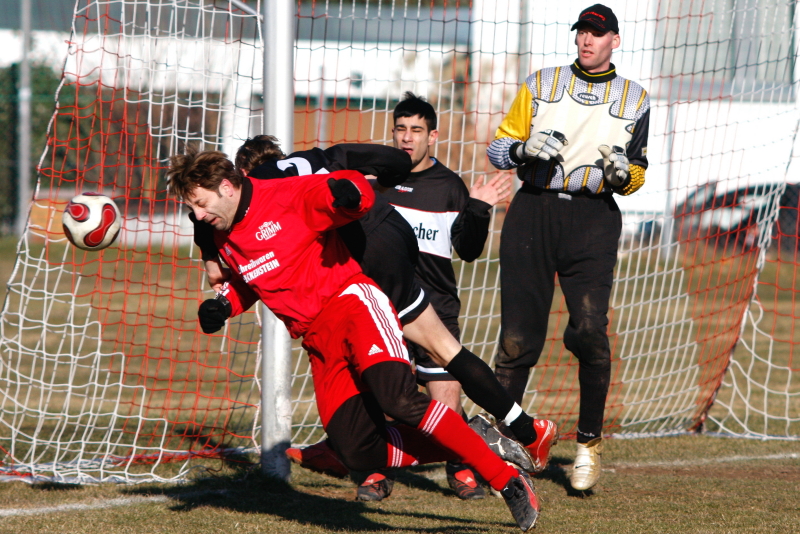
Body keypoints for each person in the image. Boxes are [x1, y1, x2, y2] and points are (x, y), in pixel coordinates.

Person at [166, 148, 540, 531]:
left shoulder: (283, 194)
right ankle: (475, 438)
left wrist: (350, 195)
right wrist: (224, 305)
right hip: (317, 340)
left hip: (353, 307)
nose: (198, 215)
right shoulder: (223, 234)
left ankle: (506, 480)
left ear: (227, 186)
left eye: (201, 204)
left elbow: (350, 186)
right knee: (356, 451)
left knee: (398, 398)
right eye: (192, 208)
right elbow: (254, 279)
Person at [486, 4, 650, 492]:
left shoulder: (635, 98)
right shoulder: (542, 84)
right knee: (517, 340)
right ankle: (504, 445)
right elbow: (498, 148)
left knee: (591, 331)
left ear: (614, 40)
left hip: (593, 220)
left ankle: (588, 445)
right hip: (533, 212)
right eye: (582, 31)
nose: (587, 40)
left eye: (597, 33)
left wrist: (622, 175)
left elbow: (638, 171)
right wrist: (521, 150)